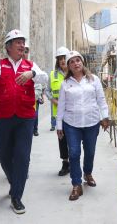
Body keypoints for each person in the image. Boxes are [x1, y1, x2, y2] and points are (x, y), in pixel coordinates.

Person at [0, 29, 47, 214]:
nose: (21, 46)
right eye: (17, 43)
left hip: (25, 118)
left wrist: (32, 74)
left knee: (23, 156)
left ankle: (16, 196)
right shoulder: (0, 65)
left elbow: (44, 77)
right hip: (4, 117)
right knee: (3, 153)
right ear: (8, 47)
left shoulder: (30, 65)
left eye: (22, 43)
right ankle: (14, 179)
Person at [56, 50, 109, 201]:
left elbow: (101, 100)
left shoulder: (94, 80)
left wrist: (105, 117)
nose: (75, 63)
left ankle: (88, 173)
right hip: (71, 124)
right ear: (68, 66)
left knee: (90, 152)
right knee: (73, 153)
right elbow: (61, 106)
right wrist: (59, 126)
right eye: (71, 62)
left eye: (77, 60)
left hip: (92, 123)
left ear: (82, 62)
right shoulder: (65, 84)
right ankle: (76, 184)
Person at [45, 46, 70, 176]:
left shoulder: (75, 73)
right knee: (62, 139)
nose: (62, 60)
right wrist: (53, 101)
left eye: (64, 58)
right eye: (60, 58)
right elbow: (47, 90)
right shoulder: (53, 74)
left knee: (74, 140)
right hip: (59, 114)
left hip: (73, 113)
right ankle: (65, 163)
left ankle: (74, 162)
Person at [23, 43, 44, 136]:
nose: (24, 53)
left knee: (34, 115)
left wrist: (34, 96)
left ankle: (34, 129)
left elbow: (40, 83)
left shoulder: (32, 66)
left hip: (33, 99)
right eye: (23, 51)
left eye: (26, 51)